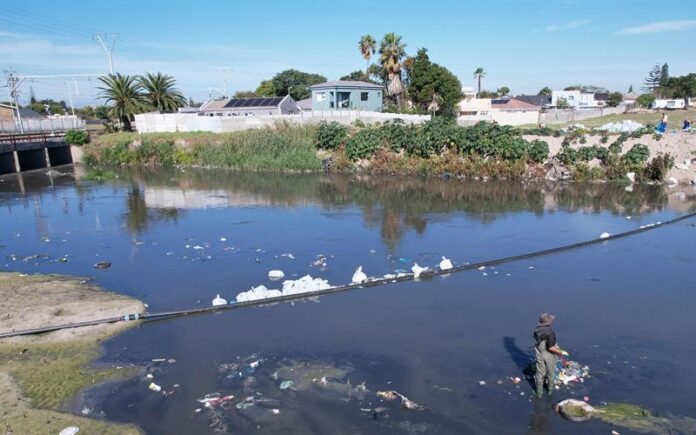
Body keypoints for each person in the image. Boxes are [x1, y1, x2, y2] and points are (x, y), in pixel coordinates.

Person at [533, 313, 566, 398]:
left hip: (539, 351)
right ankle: (550, 391)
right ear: (549, 322)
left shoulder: (537, 330)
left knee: (540, 373)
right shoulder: (550, 332)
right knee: (551, 372)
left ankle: (539, 393)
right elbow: (551, 347)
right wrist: (561, 352)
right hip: (548, 353)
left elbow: (537, 340)